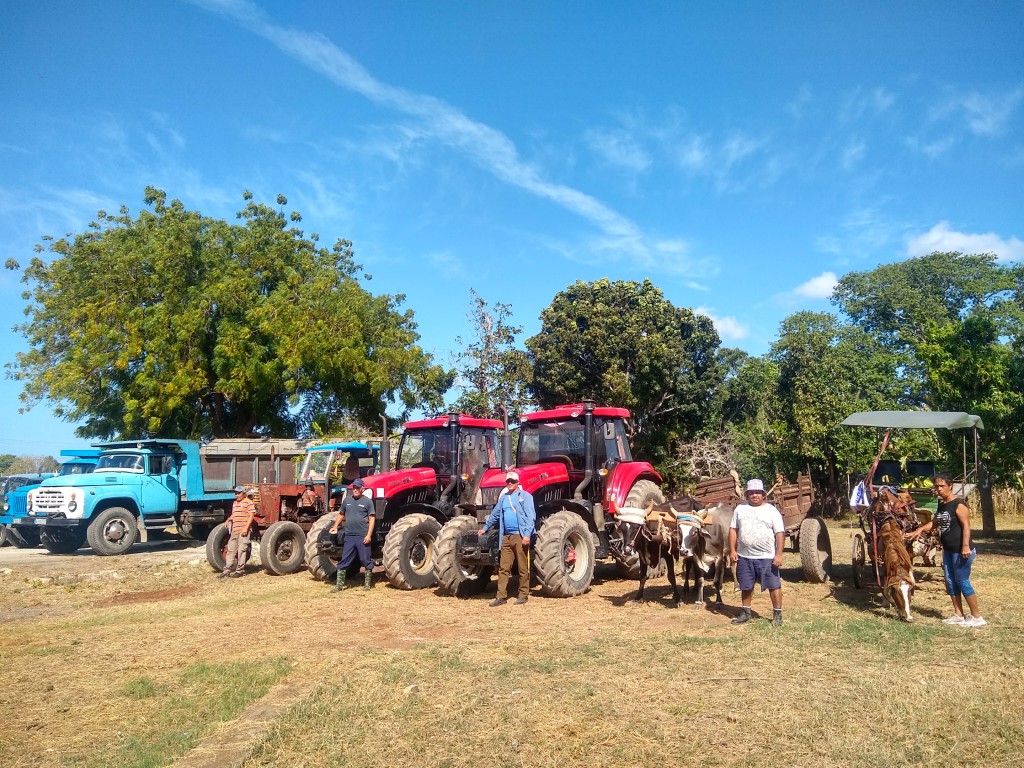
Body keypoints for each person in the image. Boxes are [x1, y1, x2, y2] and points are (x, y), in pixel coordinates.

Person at [906, 473, 985, 627]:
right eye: (936, 486)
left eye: (942, 486)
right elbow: (934, 523)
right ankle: (958, 614)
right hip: (948, 551)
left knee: (962, 581)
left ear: (950, 486)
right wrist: (919, 530)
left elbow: (966, 526)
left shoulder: (959, 504)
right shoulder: (942, 505)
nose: (939, 489)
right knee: (950, 582)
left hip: (961, 550)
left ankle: (977, 617)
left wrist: (965, 547)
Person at [728, 478, 786, 626]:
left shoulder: (771, 511)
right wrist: (732, 550)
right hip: (744, 556)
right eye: (752, 493)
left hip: (767, 557)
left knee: (774, 585)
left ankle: (777, 615)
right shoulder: (740, 509)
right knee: (746, 586)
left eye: (758, 493)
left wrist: (778, 554)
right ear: (747, 494)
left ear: (763, 494)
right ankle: (746, 612)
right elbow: (733, 530)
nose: (755, 495)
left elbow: (780, 533)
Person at [481, 470, 536, 606]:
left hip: (520, 536)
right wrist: (484, 528)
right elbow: (495, 515)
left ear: (518, 482)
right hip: (506, 537)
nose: (510, 483)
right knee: (503, 567)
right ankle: (501, 596)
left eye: (513, 481)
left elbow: (531, 516)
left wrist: (527, 535)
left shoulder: (526, 496)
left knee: (523, 567)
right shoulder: (504, 498)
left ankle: (523, 595)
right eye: (508, 481)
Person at [328, 478, 376, 591]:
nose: (355, 489)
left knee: (365, 560)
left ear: (362, 489)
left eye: (358, 488)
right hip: (349, 536)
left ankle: (367, 585)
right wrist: (335, 526)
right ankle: (339, 586)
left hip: (362, 536)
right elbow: (341, 514)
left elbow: (372, 519)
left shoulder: (367, 502)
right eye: (354, 487)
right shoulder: (347, 500)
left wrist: (369, 535)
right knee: (344, 560)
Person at [220, 486, 256, 579]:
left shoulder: (249, 502)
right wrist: (228, 519)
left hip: (244, 530)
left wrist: (246, 528)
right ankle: (227, 570)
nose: (236, 495)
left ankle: (239, 570)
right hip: (235, 530)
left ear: (244, 493)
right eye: (235, 493)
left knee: (242, 550)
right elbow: (234, 514)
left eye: (238, 493)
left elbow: (251, 516)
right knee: (231, 549)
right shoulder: (235, 503)